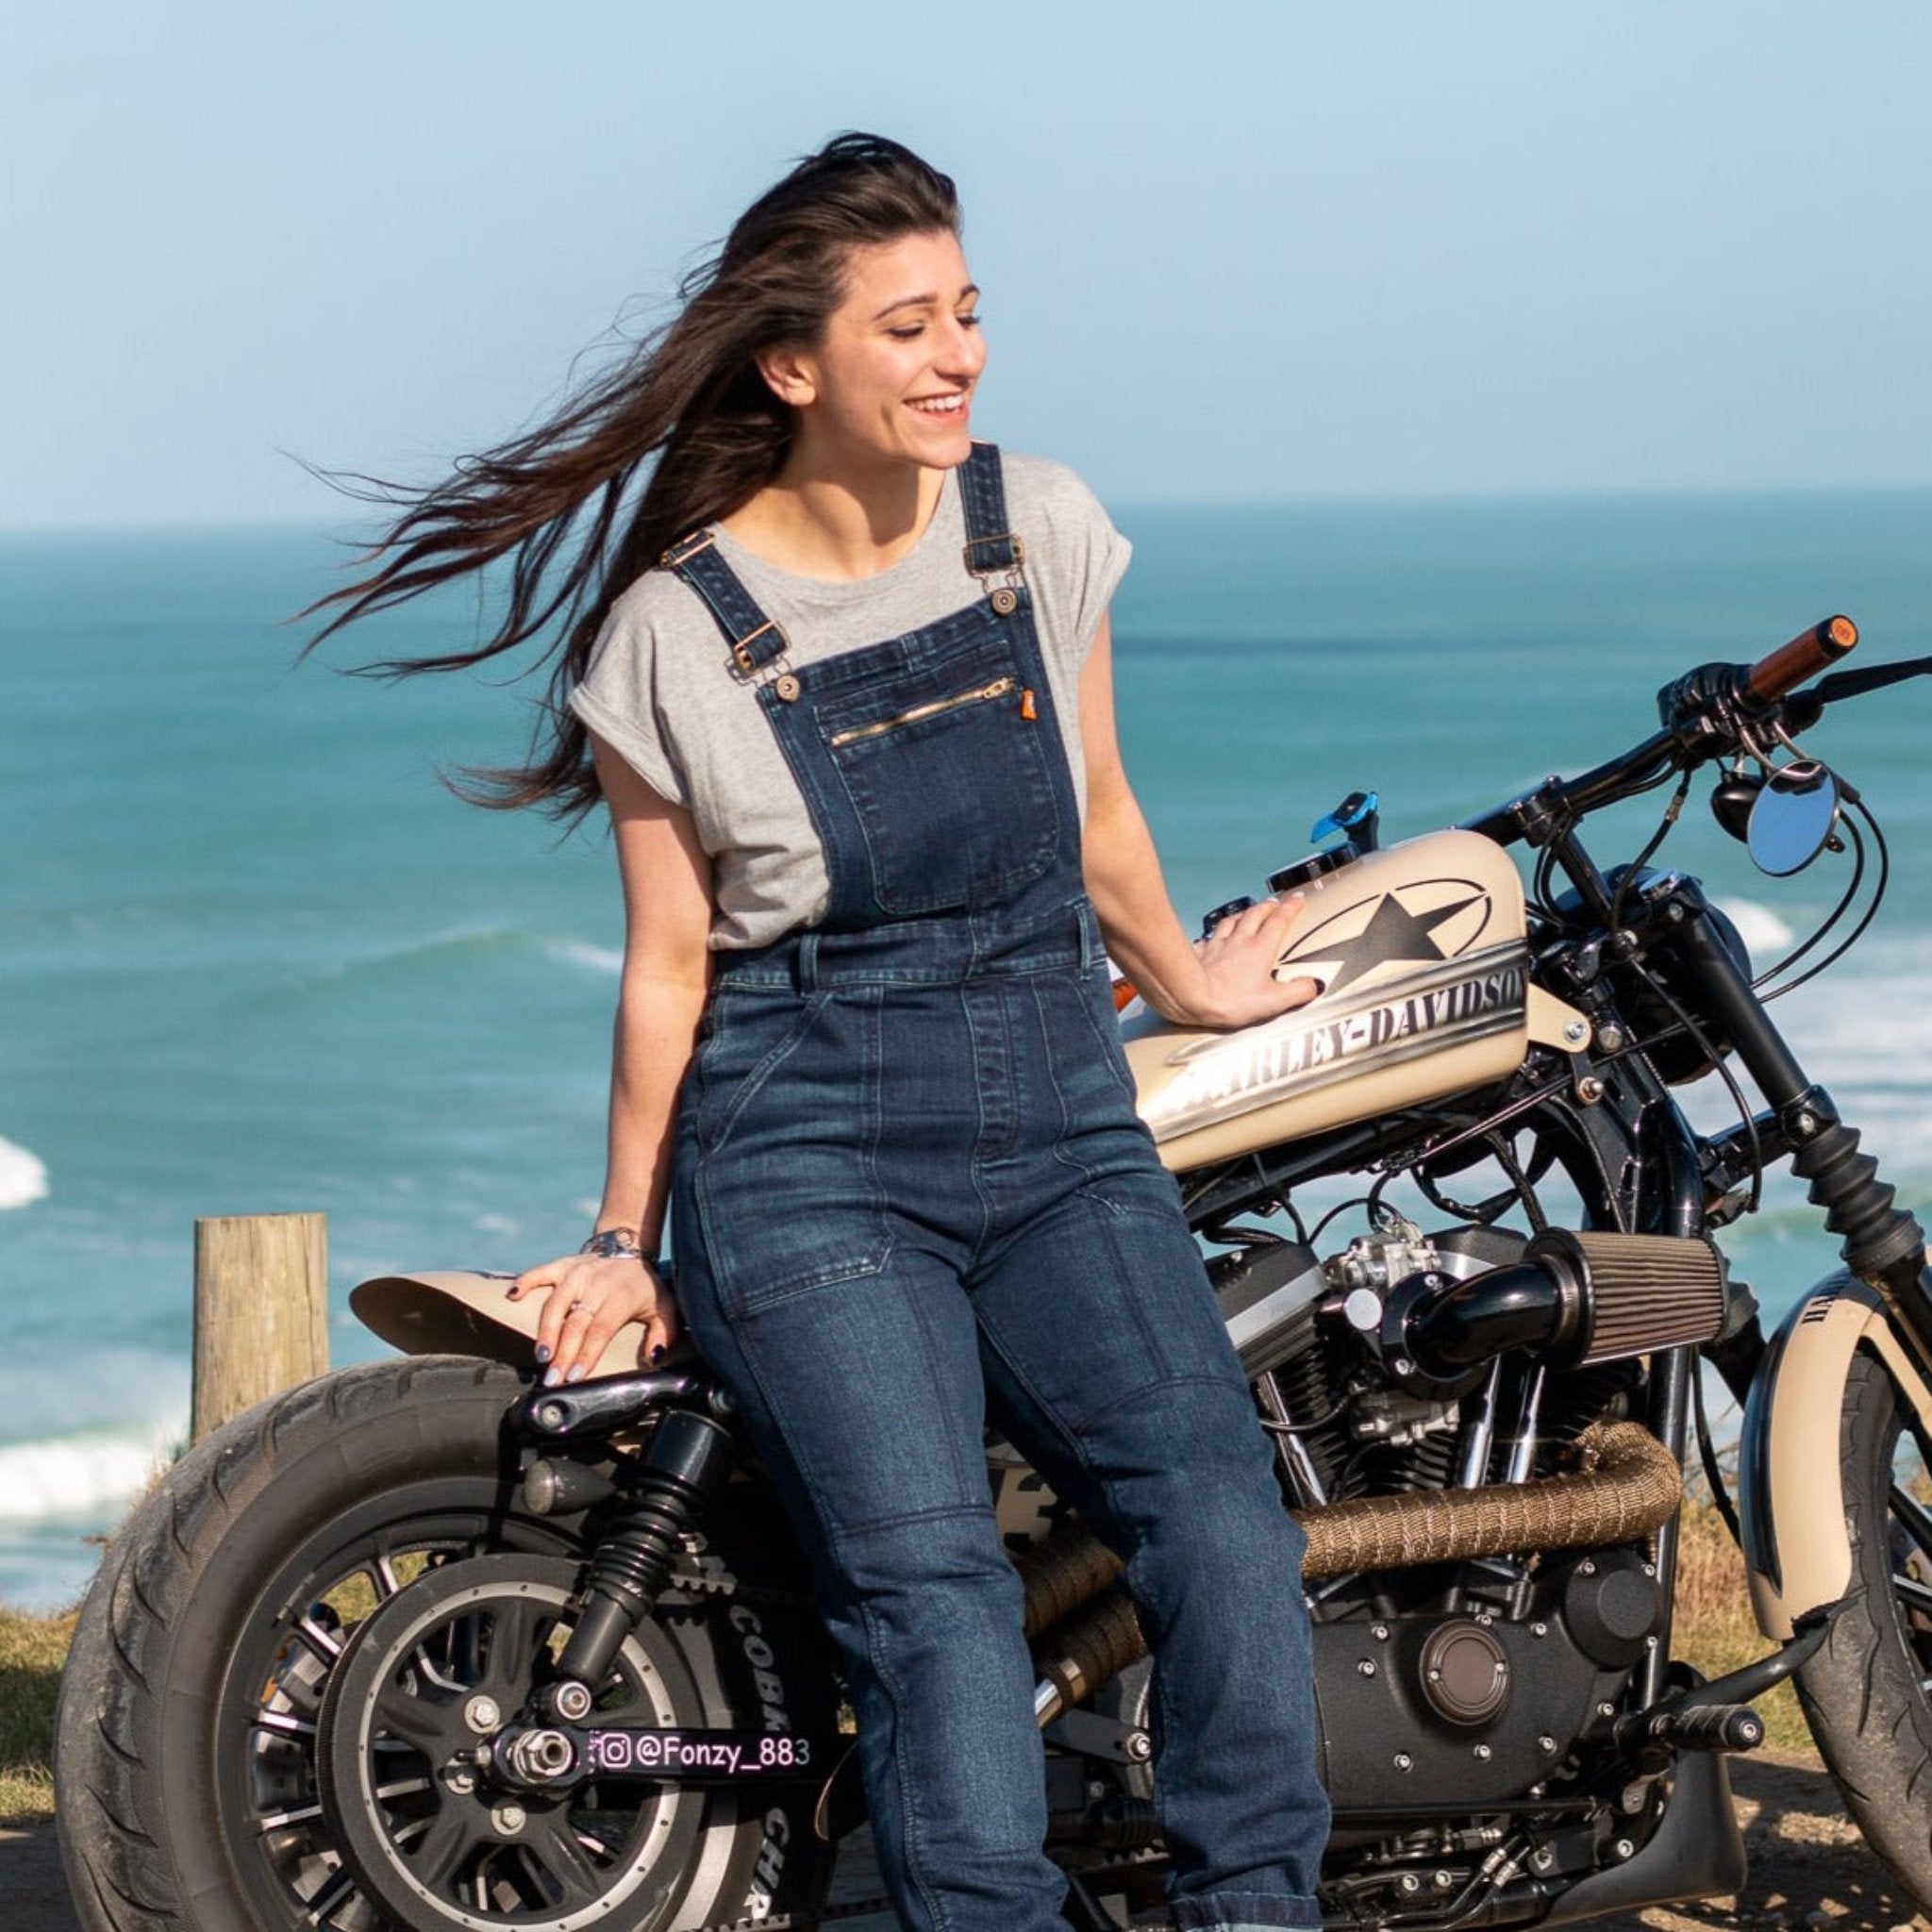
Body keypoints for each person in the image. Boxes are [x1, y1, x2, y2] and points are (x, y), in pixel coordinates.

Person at [318, 132, 1329, 1932]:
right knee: (929, 1592)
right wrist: (626, 1240)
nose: (960, 357)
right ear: (795, 368)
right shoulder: (672, 639)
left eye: (968, 313)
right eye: (909, 326)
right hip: (807, 1152)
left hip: (1060, 1117)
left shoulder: (1042, 529)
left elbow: (1097, 820)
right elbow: (668, 967)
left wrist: (1188, 982)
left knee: (1226, 1524)